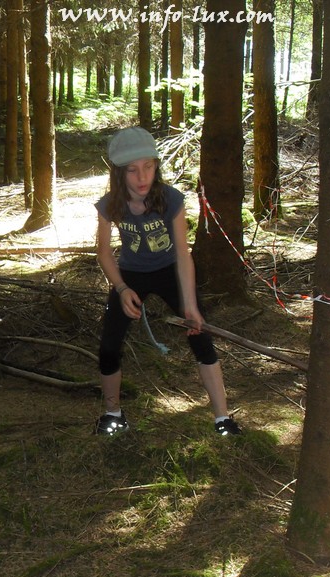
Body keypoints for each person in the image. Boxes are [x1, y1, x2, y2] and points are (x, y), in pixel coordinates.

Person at [93, 126, 241, 437]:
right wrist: (121, 289)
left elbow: (184, 254)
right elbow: (104, 253)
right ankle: (112, 414)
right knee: (109, 346)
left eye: (148, 166)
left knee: (200, 335)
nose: (142, 177)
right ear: (119, 173)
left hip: (170, 269)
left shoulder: (171, 199)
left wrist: (189, 304)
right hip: (131, 275)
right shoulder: (109, 205)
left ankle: (222, 418)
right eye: (132, 170)